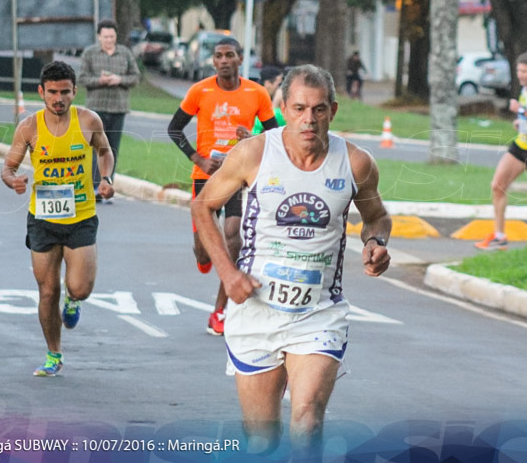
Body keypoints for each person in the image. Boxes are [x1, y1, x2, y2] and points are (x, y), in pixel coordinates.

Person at [190, 64, 392, 458]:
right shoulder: (254, 153)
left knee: (308, 420)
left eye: (318, 110)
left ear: (332, 110)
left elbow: (376, 216)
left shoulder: (355, 163)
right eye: (299, 108)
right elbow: (202, 206)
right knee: (262, 442)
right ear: (284, 107)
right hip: (256, 313)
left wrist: (377, 241)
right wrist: (228, 274)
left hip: (317, 313)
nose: (309, 120)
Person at [1, 61, 115, 377]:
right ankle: (53, 354)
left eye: (65, 92)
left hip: (81, 216)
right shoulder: (29, 127)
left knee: (79, 288)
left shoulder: (89, 121)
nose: (59, 99)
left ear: (74, 92)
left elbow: (105, 151)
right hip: (43, 219)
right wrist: (14, 181)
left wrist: (105, 177)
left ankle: (73, 300)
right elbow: (7, 168)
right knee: (46, 291)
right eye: (52, 92)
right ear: (41, 92)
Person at [167, 37, 279, 335]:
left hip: (237, 176)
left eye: (230, 55)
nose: (224, 60)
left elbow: (275, 137)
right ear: (213, 61)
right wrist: (199, 159)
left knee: (234, 237)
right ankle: (205, 257)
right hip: (205, 177)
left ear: (240, 59)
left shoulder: (256, 93)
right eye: (219, 56)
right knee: (204, 253)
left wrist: (251, 140)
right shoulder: (199, 91)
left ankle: (220, 310)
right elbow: (173, 128)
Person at [476, 51, 527, 250]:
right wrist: (522, 122)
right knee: (497, 185)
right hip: (522, 145)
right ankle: (499, 235)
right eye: (518, 70)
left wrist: (521, 111)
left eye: (525, 71)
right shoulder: (526, 89)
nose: (521, 75)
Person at [77, 19, 140, 201]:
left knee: (112, 149)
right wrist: (100, 80)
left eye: (112, 37)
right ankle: (93, 188)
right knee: (96, 149)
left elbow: (135, 77)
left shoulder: (125, 54)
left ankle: (106, 187)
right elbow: (82, 78)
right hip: (96, 109)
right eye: (105, 37)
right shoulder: (90, 53)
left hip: (118, 108)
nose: (109, 40)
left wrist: (119, 80)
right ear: (99, 37)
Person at [252, 65, 286, 134]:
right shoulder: (255, 97)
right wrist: (275, 103)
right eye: (279, 84)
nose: (280, 89)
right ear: (268, 83)